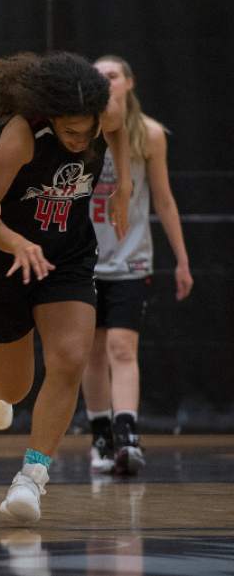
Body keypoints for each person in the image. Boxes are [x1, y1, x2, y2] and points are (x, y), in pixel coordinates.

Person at [0, 51, 134, 522]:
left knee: (69, 358)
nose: (81, 143)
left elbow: (118, 130)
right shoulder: (21, 136)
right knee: (13, 390)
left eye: (88, 131)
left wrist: (119, 186)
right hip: (4, 257)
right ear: (50, 118)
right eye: (70, 133)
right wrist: (15, 241)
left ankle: (32, 478)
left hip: (67, 256)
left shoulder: (107, 116)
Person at [81, 55, 193, 476]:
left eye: (111, 75)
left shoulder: (149, 134)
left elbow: (163, 199)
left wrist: (181, 258)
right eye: (97, 76)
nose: (104, 81)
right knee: (91, 352)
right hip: (86, 261)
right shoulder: (81, 130)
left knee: (122, 346)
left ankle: (127, 432)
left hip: (131, 258)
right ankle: (100, 434)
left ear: (128, 82)